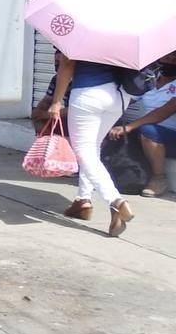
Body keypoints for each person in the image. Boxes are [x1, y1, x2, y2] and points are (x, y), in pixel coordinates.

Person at [47, 52, 133, 236]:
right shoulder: (123, 28)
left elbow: (68, 62)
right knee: (91, 149)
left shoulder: (84, 28)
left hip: (89, 93)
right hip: (120, 96)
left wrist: (56, 101)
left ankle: (116, 201)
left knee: (83, 151)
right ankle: (83, 200)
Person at [109, 50, 176, 198]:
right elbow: (125, 100)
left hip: (170, 135)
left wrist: (129, 127)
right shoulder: (150, 80)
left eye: (175, 57)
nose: (171, 59)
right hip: (150, 133)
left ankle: (159, 178)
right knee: (112, 125)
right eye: (168, 55)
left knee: (147, 130)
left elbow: (162, 113)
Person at [31, 50, 69, 133]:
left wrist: (45, 114)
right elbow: (47, 100)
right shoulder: (56, 79)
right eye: (56, 62)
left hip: (80, 117)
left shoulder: (80, 81)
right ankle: (49, 144)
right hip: (66, 117)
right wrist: (38, 111)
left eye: (61, 63)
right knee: (38, 120)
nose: (58, 66)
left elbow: (76, 109)